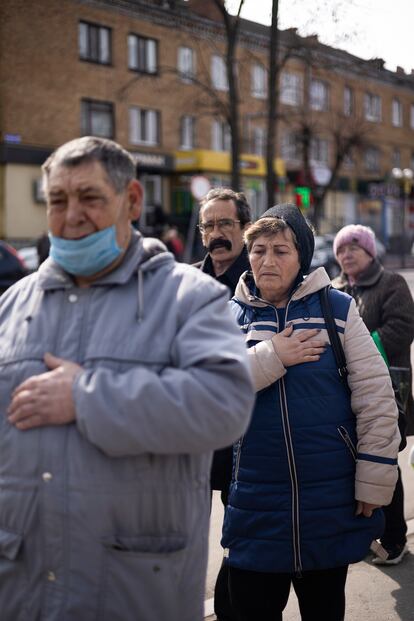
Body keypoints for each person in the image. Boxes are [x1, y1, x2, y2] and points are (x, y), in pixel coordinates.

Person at [0, 136, 255, 621]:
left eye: (90, 198)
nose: (71, 214)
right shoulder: (12, 305)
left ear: (131, 201)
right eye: (57, 200)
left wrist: (85, 396)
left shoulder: (188, 297)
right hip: (23, 589)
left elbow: (226, 404)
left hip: (133, 592)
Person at [221, 204, 400, 621]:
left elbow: (375, 397)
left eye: (280, 250)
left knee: (324, 610)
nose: (267, 260)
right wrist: (271, 356)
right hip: (255, 504)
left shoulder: (335, 309)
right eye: (258, 249)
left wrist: (374, 482)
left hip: (328, 500)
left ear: (301, 256)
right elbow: (205, 390)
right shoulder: (229, 318)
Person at [332, 223, 414, 565]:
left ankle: (395, 537)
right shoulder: (335, 289)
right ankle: (368, 533)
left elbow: (402, 328)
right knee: (355, 460)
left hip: (388, 388)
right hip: (345, 389)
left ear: (370, 251)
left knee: (383, 459)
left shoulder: (390, 283)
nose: (347, 254)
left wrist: (359, 350)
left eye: (354, 247)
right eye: (341, 249)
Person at [195, 187, 251, 621]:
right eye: (209, 225)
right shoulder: (189, 284)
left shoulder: (262, 277)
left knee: (241, 536)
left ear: (244, 229)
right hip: (198, 439)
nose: (216, 233)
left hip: (245, 439)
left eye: (225, 224)